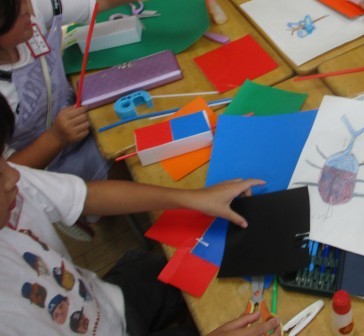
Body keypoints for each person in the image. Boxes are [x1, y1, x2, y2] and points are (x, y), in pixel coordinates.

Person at [0, 93, 281, 336]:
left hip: (107, 301)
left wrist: (194, 198)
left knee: (201, 270)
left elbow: (87, 196)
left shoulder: (11, 179)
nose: (15, 175)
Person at [0, 0, 198, 183]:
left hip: (79, 121)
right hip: (41, 174)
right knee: (143, 171)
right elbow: (6, 175)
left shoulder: (34, 6)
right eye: (13, 13)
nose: (27, 10)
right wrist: (55, 138)